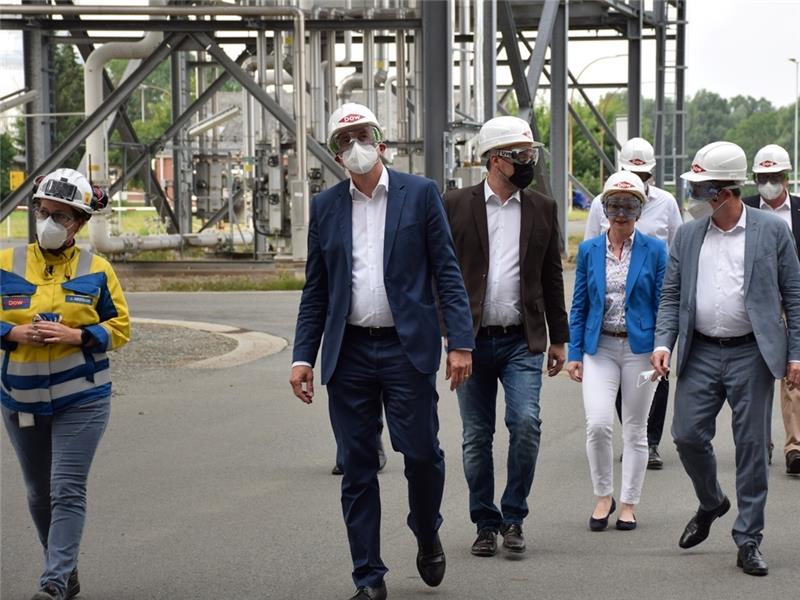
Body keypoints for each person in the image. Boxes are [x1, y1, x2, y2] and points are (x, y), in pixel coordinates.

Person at [289, 103, 474, 600]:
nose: (354, 146)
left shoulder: (420, 194)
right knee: (356, 466)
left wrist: (459, 342)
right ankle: (368, 577)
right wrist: (303, 356)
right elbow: (316, 290)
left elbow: (448, 273)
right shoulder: (326, 207)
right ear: (334, 153)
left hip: (405, 350)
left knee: (423, 455)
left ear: (382, 140)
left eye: (362, 135)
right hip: (348, 354)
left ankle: (426, 527)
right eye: (343, 140)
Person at [651, 141, 800, 577]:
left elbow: (794, 293)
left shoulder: (773, 232)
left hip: (751, 352)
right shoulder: (690, 233)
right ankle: (712, 500)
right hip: (700, 351)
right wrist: (664, 344)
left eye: (701, 190)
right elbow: (672, 294)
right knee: (686, 435)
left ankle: (748, 538)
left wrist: (796, 354)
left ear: (724, 192)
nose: (695, 198)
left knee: (752, 448)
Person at [1, 168, 130, 600]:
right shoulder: (6, 263)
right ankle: (64, 567)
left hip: (83, 399)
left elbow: (122, 327)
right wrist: (11, 333)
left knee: (66, 489)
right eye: (45, 212)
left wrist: (79, 336)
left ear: (79, 222)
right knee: (39, 493)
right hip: (20, 400)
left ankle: (53, 582)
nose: (50, 222)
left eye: (62, 216)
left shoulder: (98, 269)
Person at [442, 116, 569, 557]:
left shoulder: (543, 208)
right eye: (522, 155)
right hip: (470, 341)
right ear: (496, 160)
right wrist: (448, 337)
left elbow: (552, 276)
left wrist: (559, 337)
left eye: (531, 153)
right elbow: (441, 275)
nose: (529, 161)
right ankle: (484, 521)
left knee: (526, 424)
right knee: (476, 436)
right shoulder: (454, 205)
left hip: (522, 340)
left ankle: (513, 516)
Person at [567, 171, 667, 532]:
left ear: (639, 210)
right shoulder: (589, 249)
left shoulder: (655, 250)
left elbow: (663, 303)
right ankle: (603, 496)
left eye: (629, 206)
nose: (620, 213)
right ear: (604, 209)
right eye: (613, 206)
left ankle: (628, 504)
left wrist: (662, 347)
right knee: (597, 424)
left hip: (640, 350)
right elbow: (579, 306)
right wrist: (574, 352)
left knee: (636, 430)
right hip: (601, 347)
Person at [584, 137, 682, 470]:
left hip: (656, 298)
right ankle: (632, 431)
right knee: (618, 381)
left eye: (644, 174)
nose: (638, 179)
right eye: (631, 171)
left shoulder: (666, 203)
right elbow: (590, 247)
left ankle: (649, 441)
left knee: (658, 371)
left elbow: (677, 249)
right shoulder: (602, 202)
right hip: (612, 306)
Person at [743, 144, 800, 475]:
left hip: (794, 297)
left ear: (787, 179)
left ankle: (795, 446)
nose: (769, 183)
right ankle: (760, 440)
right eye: (763, 177)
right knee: (759, 370)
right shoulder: (746, 209)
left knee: (794, 370)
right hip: (760, 299)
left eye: (775, 177)